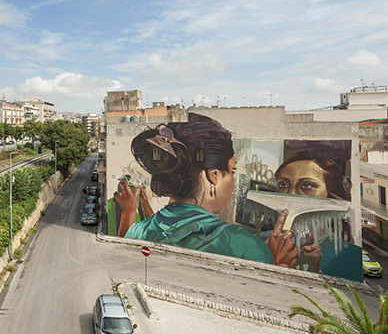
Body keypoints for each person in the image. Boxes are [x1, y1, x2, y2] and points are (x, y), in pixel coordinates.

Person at [119, 114, 298, 267]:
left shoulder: (136, 232)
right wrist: (273, 264)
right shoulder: (244, 246)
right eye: (232, 170)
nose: (233, 180)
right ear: (214, 175)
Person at [273, 150, 360, 279]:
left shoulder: (349, 255)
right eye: (283, 185)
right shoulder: (257, 241)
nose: (290, 194)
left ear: (331, 195)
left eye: (307, 186)